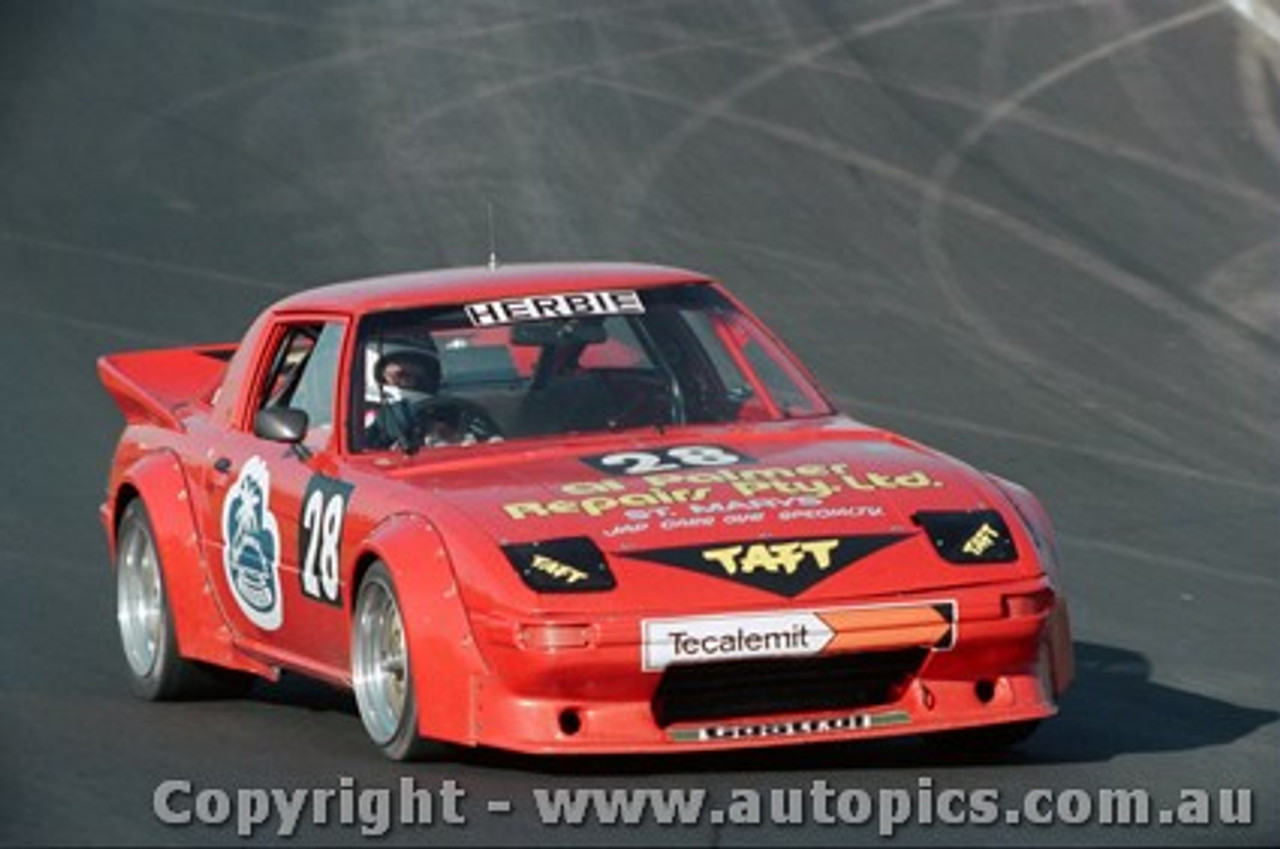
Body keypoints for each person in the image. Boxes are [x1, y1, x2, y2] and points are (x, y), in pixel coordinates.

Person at [365, 347, 500, 450]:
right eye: (400, 375)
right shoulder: (364, 415)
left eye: (419, 377)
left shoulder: (456, 412)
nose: (409, 383)